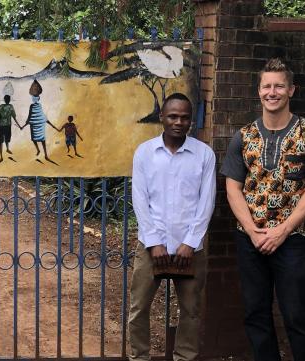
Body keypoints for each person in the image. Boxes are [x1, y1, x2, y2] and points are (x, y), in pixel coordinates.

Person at [221, 58, 305, 361]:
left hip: (293, 239)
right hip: (250, 239)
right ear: (258, 91)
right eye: (267, 86)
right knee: (256, 313)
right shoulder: (243, 137)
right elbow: (232, 186)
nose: (272, 92)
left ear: (291, 90)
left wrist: (281, 231)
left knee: (296, 314)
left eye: (279, 86)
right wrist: (252, 230)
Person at [130, 93, 216, 361]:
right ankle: (139, 357)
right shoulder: (145, 152)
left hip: (190, 248)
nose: (179, 122)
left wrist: (190, 242)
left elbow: (207, 201)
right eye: (173, 116)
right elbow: (140, 199)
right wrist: (154, 242)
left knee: (190, 311)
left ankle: (184, 357)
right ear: (162, 118)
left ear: (191, 120)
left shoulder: (204, 154)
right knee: (138, 308)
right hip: (150, 246)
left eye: (185, 117)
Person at [20, 79, 58, 163]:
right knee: (38, 139)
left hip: (37, 124)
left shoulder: (35, 106)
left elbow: (31, 117)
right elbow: (34, 116)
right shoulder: (35, 106)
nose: (34, 99)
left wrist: (24, 125)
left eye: (34, 97)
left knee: (39, 139)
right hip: (37, 123)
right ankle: (41, 152)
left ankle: (44, 154)